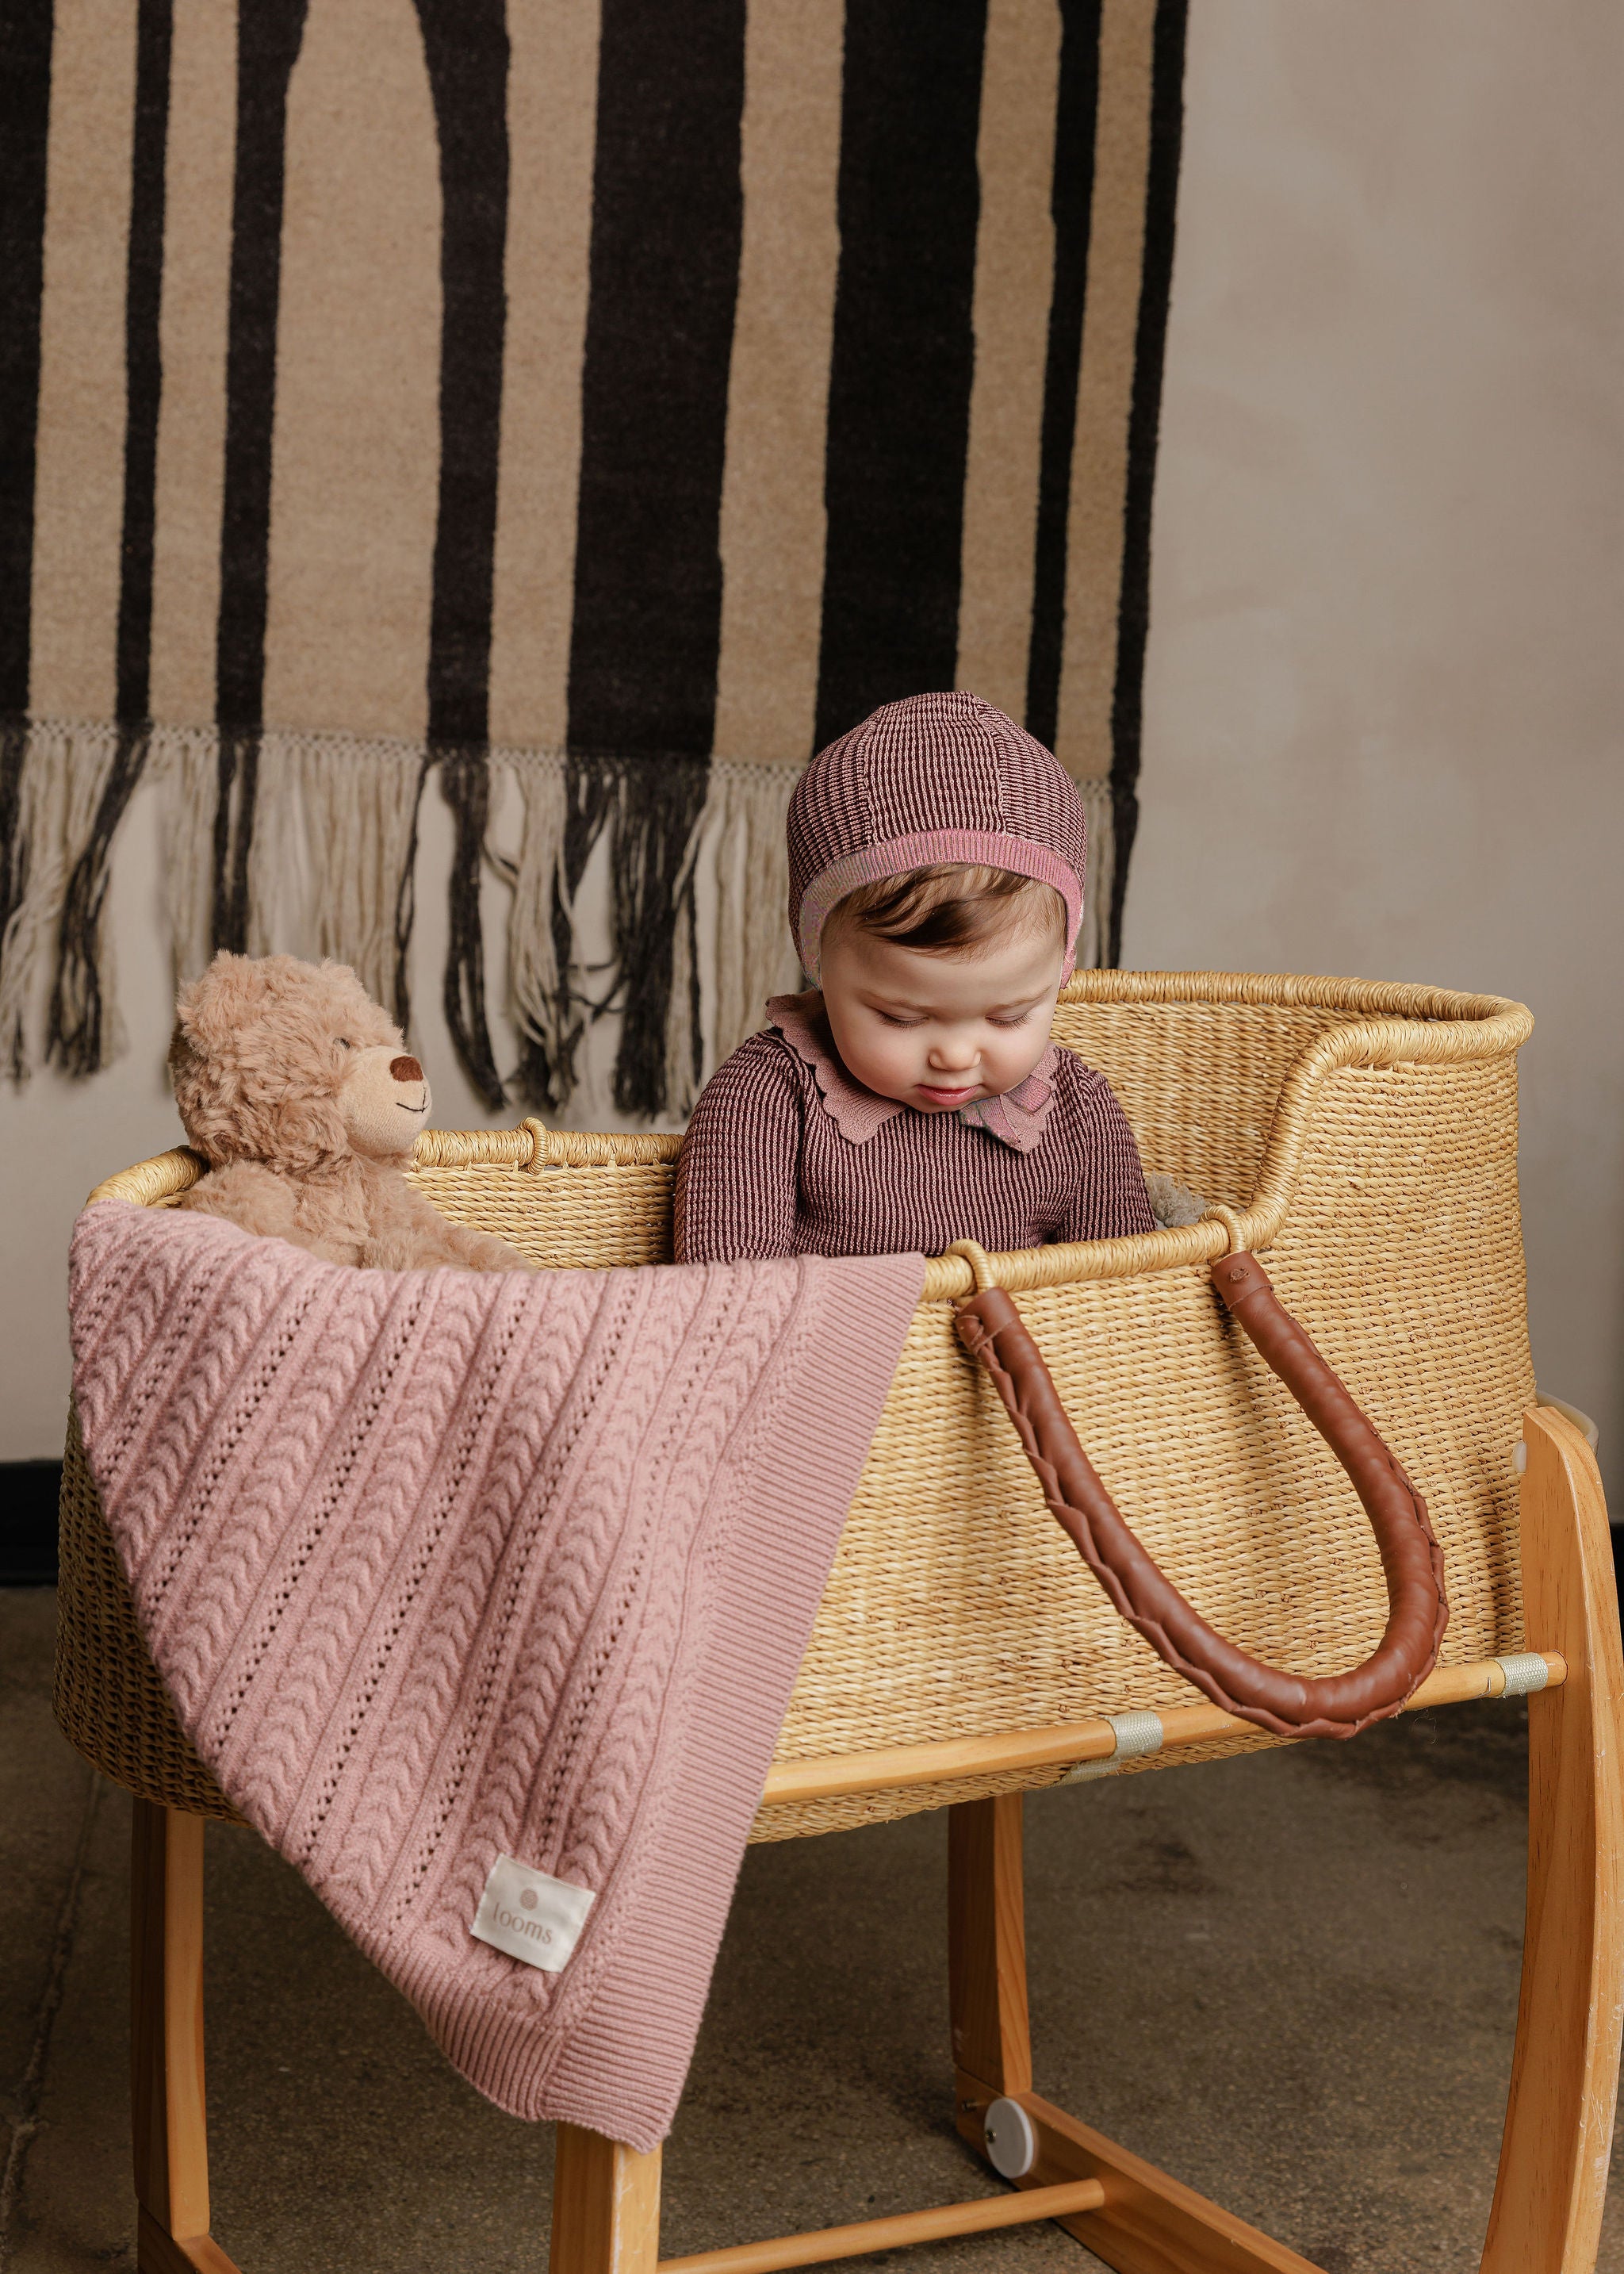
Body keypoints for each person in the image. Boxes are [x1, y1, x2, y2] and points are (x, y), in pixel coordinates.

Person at [673, 691, 1156, 1262]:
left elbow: (1131, 1292)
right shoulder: (769, 1096)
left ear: (1062, 970)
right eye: (900, 1017)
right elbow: (727, 1288)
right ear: (819, 962)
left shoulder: (1078, 1113)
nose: (956, 1056)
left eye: (1009, 1017)